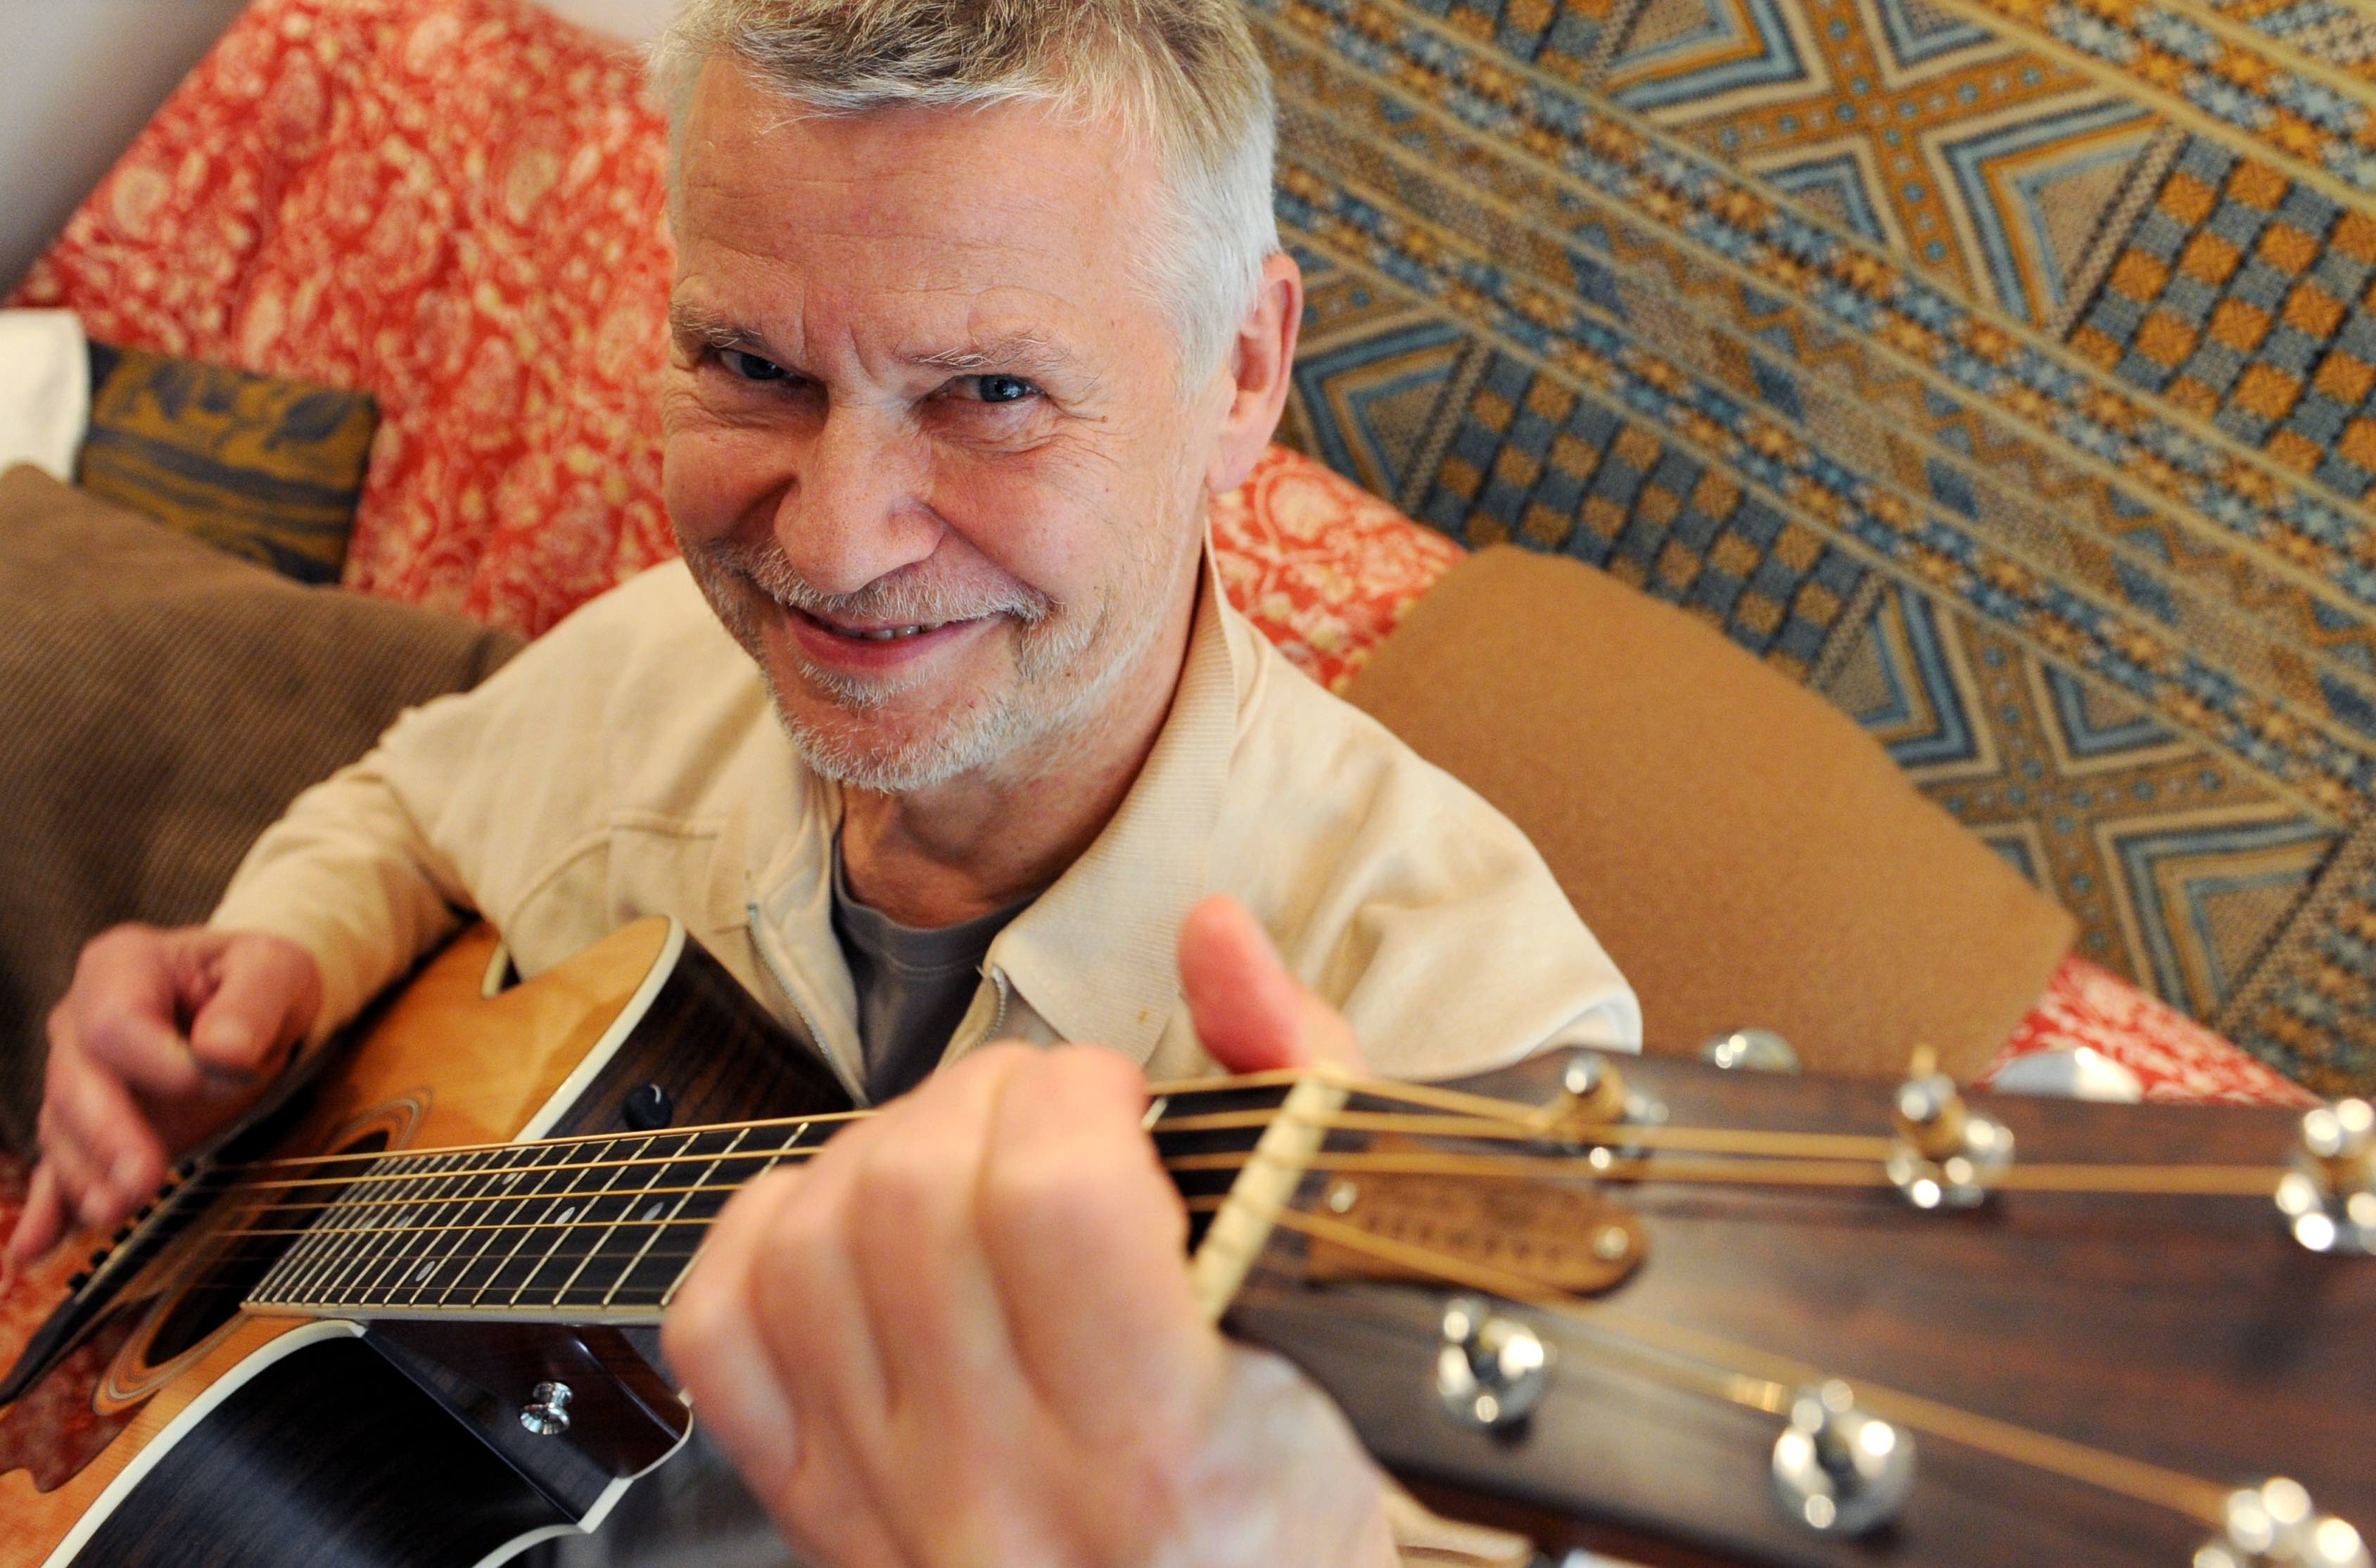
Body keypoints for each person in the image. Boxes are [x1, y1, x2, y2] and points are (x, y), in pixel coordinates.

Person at [9, 1, 1639, 1562]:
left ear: (1243, 370)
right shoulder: (671, 660)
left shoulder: (1469, 1030)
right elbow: (407, 806)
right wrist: (283, 963)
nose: (836, 544)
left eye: (991, 391)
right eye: (751, 363)